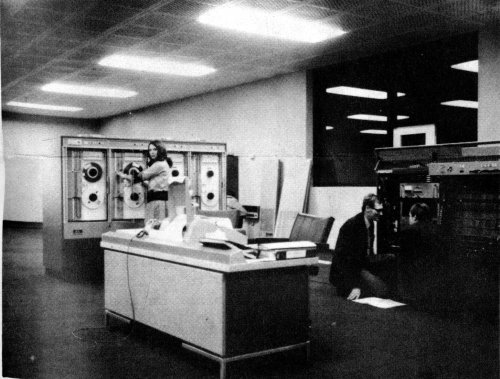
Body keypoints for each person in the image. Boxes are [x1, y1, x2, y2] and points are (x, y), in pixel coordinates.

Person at [330, 193, 396, 300]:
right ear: (367, 208)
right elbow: (344, 260)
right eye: (378, 210)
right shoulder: (351, 226)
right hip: (351, 268)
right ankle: (352, 286)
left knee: (390, 258)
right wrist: (354, 285)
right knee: (382, 291)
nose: (380, 213)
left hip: (362, 262)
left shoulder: (370, 223)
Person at [398, 203, 445, 304]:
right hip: (435, 279)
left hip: (415, 279)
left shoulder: (409, 231)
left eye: (409, 216)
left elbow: (404, 258)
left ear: (414, 217)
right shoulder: (438, 230)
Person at [118, 140, 172, 224]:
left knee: (152, 227)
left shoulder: (159, 164)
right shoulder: (162, 163)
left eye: (155, 149)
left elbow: (140, 176)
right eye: (150, 150)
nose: (152, 152)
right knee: (155, 227)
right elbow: (154, 183)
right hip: (158, 200)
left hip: (157, 201)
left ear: (160, 150)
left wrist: (124, 176)